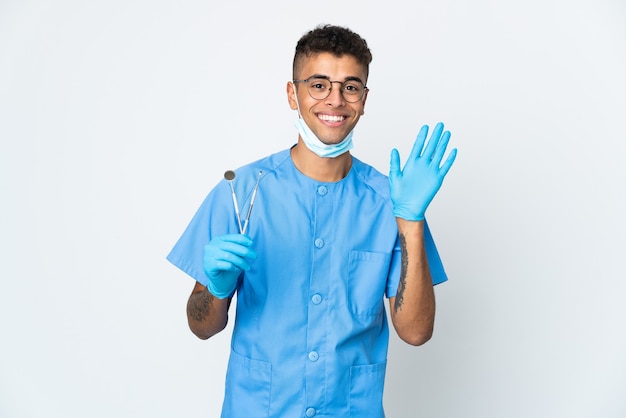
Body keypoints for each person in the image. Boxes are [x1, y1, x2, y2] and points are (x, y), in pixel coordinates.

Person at [167, 24, 457, 418]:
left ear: (364, 99)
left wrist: (411, 220)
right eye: (319, 85)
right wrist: (216, 290)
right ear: (293, 93)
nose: (335, 100)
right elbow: (201, 326)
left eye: (350, 87)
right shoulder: (241, 193)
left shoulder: (392, 200)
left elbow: (416, 332)